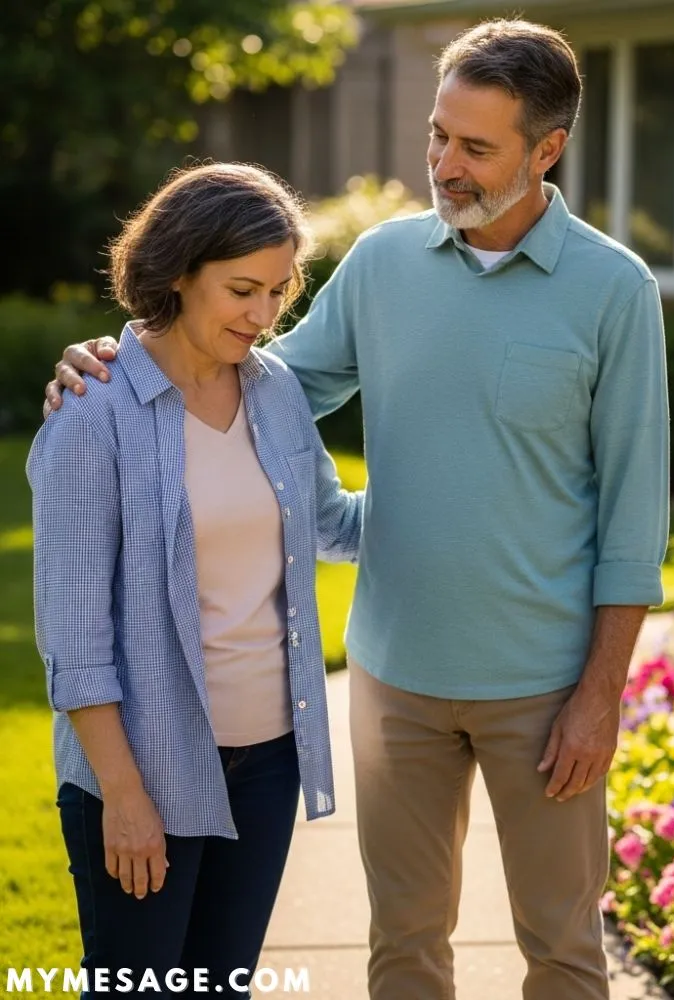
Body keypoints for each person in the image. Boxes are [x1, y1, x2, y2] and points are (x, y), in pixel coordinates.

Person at [45, 18, 670, 1000]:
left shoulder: (614, 291)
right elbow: (249, 375)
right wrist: (115, 363)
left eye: (476, 147)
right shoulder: (382, 265)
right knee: (404, 945)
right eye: (437, 135)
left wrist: (600, 695)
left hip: (542, 685)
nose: (444, 165)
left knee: (562, 949)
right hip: (393, 680)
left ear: (546, 149)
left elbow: (635, 519)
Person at [31, 162, 364, 997]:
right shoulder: (92, 414)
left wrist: (469, 478)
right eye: (242, 291)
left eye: (279, 292)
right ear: (179, 273)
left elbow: (334, 525)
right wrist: (123, 796)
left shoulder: (275, 390)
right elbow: (75, 645)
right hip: (144, 769)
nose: (263, 316)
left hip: (270, 759)